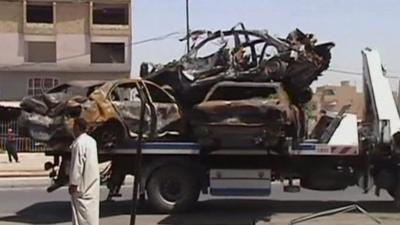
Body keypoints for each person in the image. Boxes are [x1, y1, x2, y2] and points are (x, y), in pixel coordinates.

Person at [69, 118, 100, 225]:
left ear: (77, 127)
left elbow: (77, 166)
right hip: (92, 186)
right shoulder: (92, 141)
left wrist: (73, 184)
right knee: (91, 216)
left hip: (81, 188)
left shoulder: (78, 144)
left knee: (81, 218)